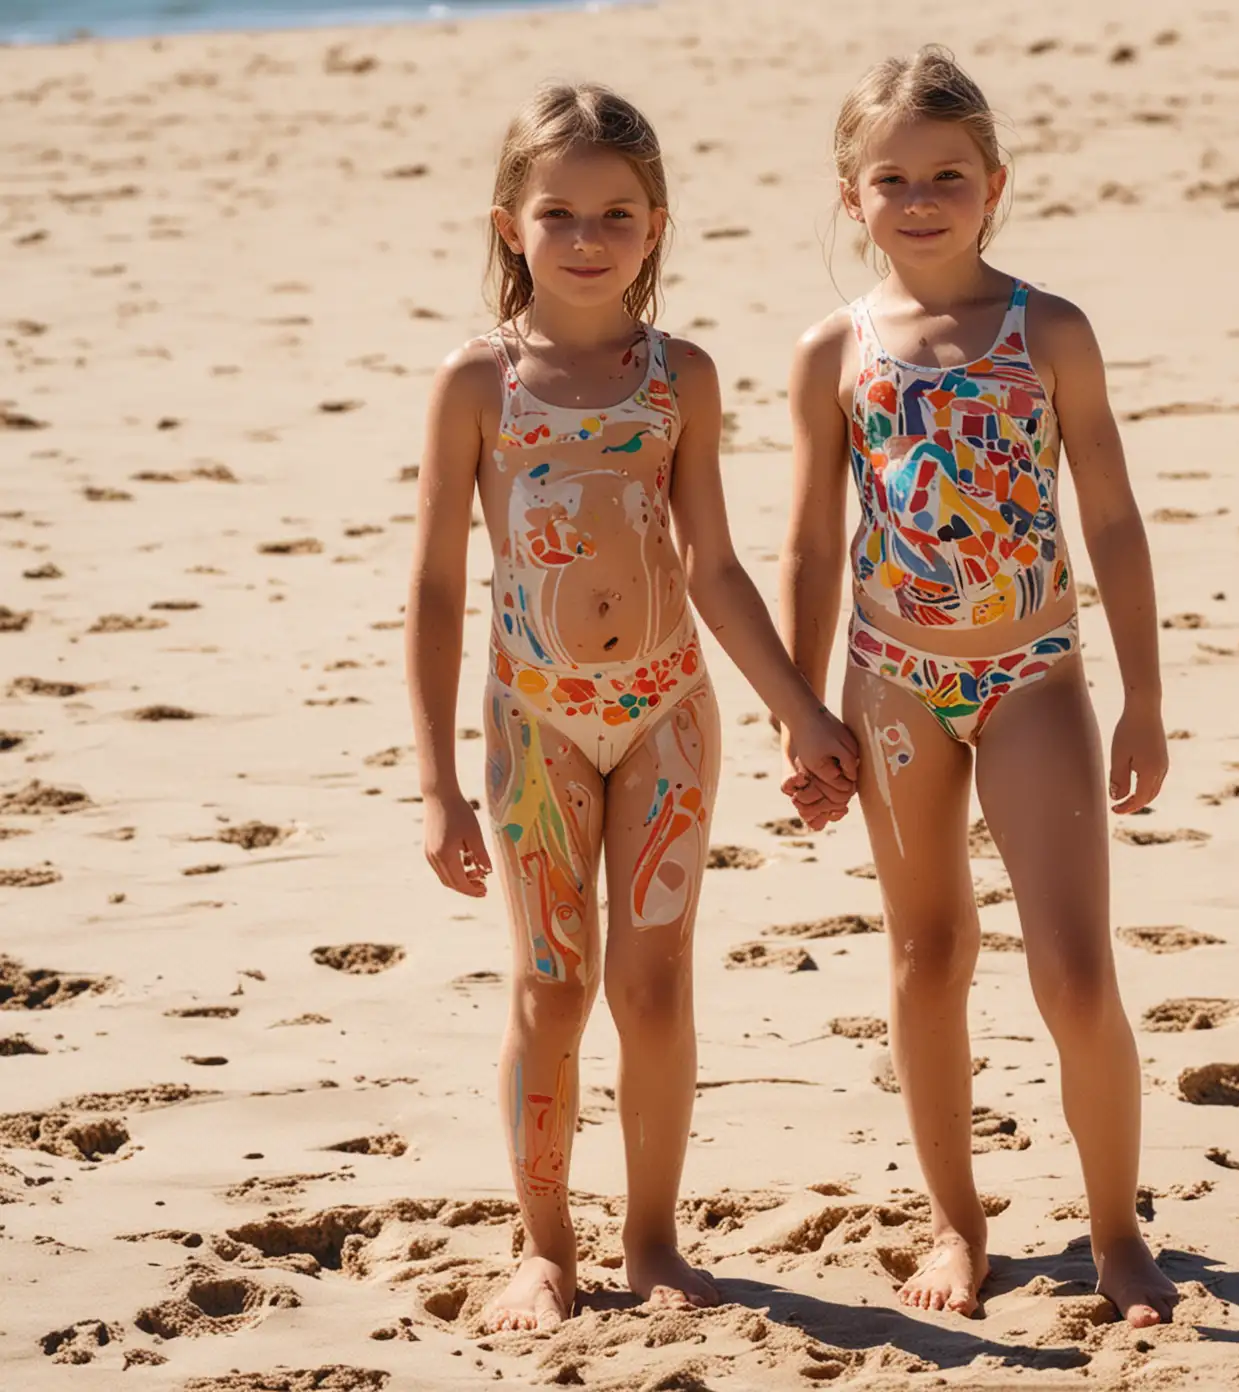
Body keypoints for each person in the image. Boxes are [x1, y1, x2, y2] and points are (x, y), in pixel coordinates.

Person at [404, 82, 858, 1330]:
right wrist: (438, 782)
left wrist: (800, 712)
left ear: (655, 226)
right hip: (533, 727)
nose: (588, 236)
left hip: (666, 717)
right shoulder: (477, 386)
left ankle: (653, 1239)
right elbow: (441, 583)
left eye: (616, 212)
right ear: (511, 226)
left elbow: (713, 565)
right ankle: (543, 1246)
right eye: (559, 213)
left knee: (654, 987)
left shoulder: (680, 379)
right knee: (551, 983)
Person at [776, 47, 1179, 1326]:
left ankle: (1118, 1234)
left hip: (1034, 681)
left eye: (947, 173)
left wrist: (1146, 699)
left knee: (1073, 970)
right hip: (891, 690)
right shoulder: (831, 351)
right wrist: (805, 713)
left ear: (993, 183)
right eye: (891, 177)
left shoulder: (1046, 330)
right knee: (925, 954)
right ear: (852, 196)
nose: (920, 196)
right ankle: (957, 1223)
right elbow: (804, 542)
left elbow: (1110, 519)